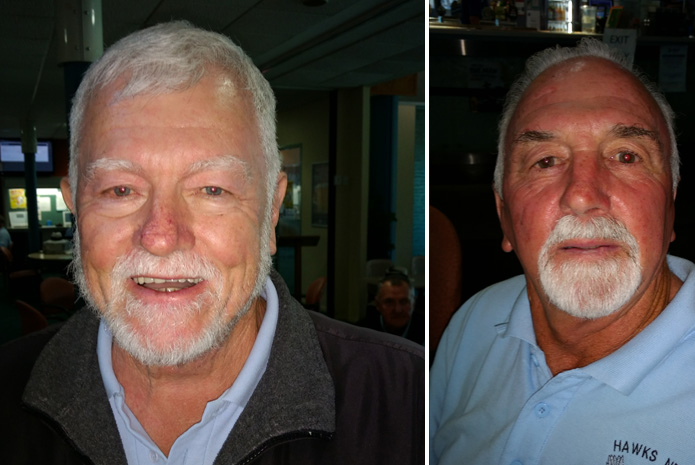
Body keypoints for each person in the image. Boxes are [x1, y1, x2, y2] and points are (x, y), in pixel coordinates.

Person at [0, 21, 424, 465]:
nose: (161, 237)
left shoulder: (410, 404)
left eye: (212, 190)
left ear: (272, 210)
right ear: (75, 208)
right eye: (120, 190)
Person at [430, 38, 695, 465]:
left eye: (626, 156)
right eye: (546, 161)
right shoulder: (473, 323)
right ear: (504, 215)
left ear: (669, 207)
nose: (583, 195)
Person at [359, 268, 424, 345]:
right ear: (378, 304)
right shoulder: (363, 333)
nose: (397, 310)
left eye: (404, 302)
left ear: (413, 303)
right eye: (389, 302)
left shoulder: (427, 331)